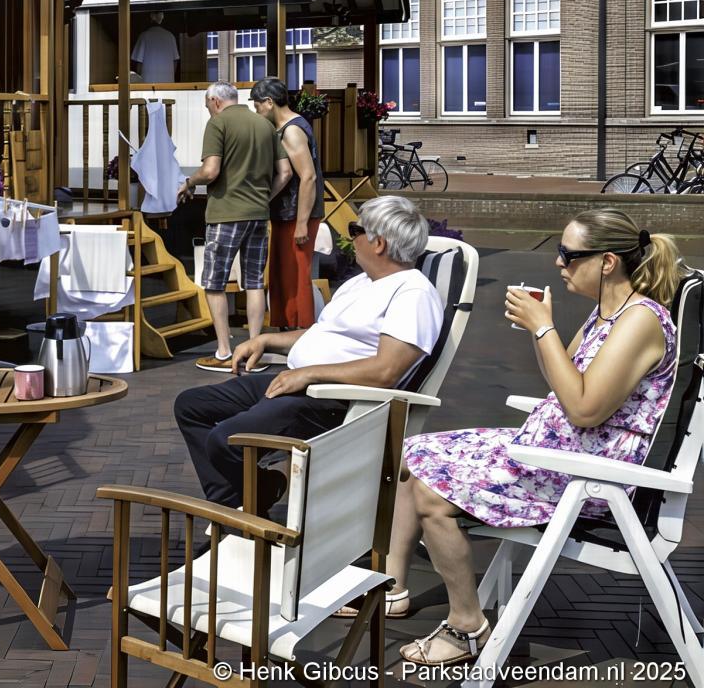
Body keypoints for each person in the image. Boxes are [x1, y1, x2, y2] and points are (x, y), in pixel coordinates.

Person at [380, 209, 683, 667]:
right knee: (412, 452)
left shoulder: (640, 320)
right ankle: (392, 588)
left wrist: (544, 328)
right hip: (555, 450)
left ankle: (466, 627)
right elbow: (562, 383)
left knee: (431, 492)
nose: (559, 262)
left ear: (607, 262)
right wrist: (539, 332)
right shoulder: (609, 313)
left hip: (589, 475)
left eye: (568, 254)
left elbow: (584, 409)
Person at [174, 195, 444, 509]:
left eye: (355, 229)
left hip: (334, 402)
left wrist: (309, 374)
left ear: (379, 243)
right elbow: (323, 333)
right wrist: (267, 341)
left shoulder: (413, 294)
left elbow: (386, 371)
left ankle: (243, 508)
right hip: (302, 385)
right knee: (191, 406)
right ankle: (243, 502)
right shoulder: (362, 283)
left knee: (227, 441)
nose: (350, 238)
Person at [178, 81, 293, 372]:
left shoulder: (218, 124)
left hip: (225, 214)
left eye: (207, 105)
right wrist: (264, 198)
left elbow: (210, 170)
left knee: (214, 283)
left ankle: (223, 352)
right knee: (254, 282)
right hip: (259, 215)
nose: (208, 111)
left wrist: (189, 182)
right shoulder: (265, 125)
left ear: (215, 101)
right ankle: (254, 350)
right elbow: (285, 172)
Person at [250, 77, 324, 329]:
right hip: (286, 213)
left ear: (269, 102)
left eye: (257, 106)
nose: (257, 111)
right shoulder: (285, 127)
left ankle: (301, 331)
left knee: (296, 275)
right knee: (283, 274)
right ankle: (287, 328)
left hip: (296, 214)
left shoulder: (292, 130)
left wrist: (302, 223)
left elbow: (308, 176)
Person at [130, 12, 179, 83]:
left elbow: (139, 64)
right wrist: (169, 76)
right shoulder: (170, 36)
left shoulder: (144, 36)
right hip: (167, 83)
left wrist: (140, 79)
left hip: (147, 83)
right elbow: (175, 61)